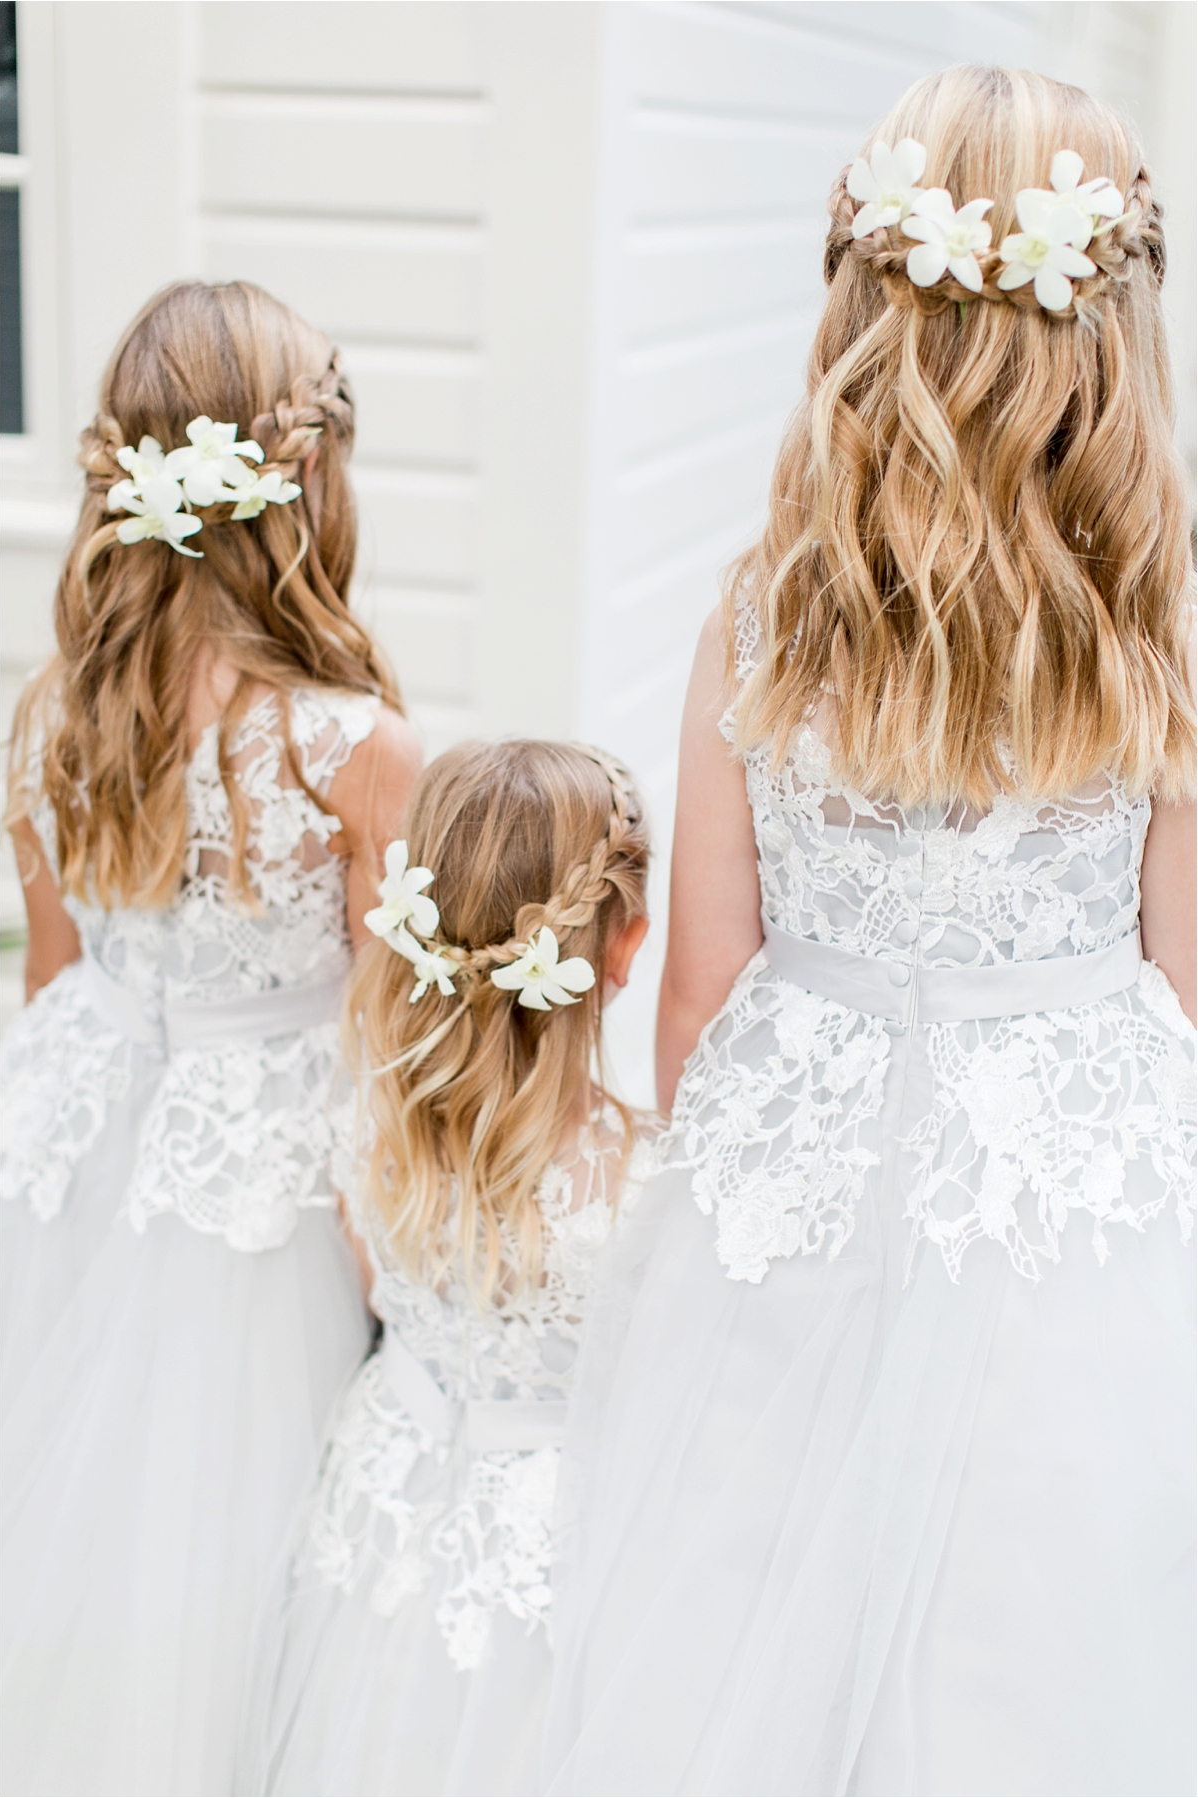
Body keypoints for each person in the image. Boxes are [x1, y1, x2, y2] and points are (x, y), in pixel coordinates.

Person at [542, 65, 1196, 1798]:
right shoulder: (1163, 633)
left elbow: (696, 1000)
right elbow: (1189, 987)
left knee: (753, 1625)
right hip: (1078, 1216)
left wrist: (739, 1217)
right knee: (1045, 1649)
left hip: (798, 1180)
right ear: (1114, 327)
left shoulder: (761, 619)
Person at [0, 279, 422, 1795]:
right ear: (306, 479)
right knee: (229, 1552)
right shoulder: (351, 746)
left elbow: (54, 983)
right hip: (260, 1202)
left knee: (78, 1520)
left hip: (73, 1144)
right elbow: (389, 1057)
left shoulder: (53, 717)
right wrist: (411, 1298)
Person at [240, 738, 651, 1797]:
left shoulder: (372, 1115)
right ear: (626, 944)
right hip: (544, 1558)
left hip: (387, 1505)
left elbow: (375, 1286)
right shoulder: (649, 1187)